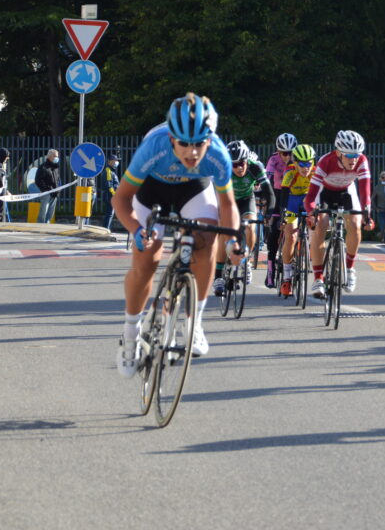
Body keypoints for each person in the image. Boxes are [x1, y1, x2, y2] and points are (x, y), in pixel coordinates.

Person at [113, 94, 241, 377]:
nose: (192, 153)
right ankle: (131, 334)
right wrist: (136, 231)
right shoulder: (153, 148)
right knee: (147, 258)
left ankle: (194, 323)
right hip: (152, 188)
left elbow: (228, 205)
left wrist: (232, 241)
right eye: (184, 143)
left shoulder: (218, 155)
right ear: (172, 139)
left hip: (193, 188)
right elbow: (121, 199)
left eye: (199, 144)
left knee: (207, 238)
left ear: (210, 139)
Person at [305, 130, 373, 299]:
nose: (354, 159)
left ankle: (349, 269)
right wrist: (311, 213)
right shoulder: (325, 162)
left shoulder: (362, 161)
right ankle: (318, 278)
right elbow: (311, 197)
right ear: (338, 153)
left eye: (356, 154)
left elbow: (365, 193)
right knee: (321, 225)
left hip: (347, 193)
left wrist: (367, 214)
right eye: (349, 155)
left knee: (356, 224)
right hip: (325, 193)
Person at [213, 140, 274, 295]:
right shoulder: (222, 169)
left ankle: (246, 262)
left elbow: (269, 192)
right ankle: (218, 276)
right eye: (234, 165)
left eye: (241, 163)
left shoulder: (255, 167)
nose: (239, 167)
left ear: (247, 160)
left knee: (250, 227)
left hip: (247, 199)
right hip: (227, 200)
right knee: (223, 233)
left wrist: (269, 212)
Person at [278, 144, 317, 297]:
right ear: (295, 162)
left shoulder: (316, 172)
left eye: (308, 163)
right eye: (301, 163)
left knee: (316, 229)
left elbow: (322, 193)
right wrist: (282, 216)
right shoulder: (289, 172)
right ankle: (287, 277)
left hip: (309, 199)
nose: (305, 167)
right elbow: (284, 196)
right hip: (292, 201)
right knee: (291, 235)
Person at [263, 133, 297, 287]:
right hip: (277, 194)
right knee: (274, 231)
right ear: (278, 151)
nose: (287, 156)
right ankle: (270, 270)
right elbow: (267, 177)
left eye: (290, 153)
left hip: (294, 194)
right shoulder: (274, 159)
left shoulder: (299, 160)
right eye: (284, 153)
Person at [34, 149, 61, 224]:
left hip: (55, 193)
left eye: (57, 156)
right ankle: (40, 225)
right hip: (46, 193)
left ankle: (47, 225)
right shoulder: (43, 167)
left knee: (50, 213)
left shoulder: (55, 167)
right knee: (43, 211)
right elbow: (38, 180)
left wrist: (58, 189)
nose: (57, 158)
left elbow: (58, 179)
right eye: (55, 156)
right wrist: (46, 189)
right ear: (50, 156)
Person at [100, 150, 122, 231]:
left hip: (111, 195)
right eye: (115, 161)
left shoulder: (111, 171)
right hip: (110, 195)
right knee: (109, 213)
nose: (116, 162)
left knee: (109, 213)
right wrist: (114, 195)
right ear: (110, 161)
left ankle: (106, 229)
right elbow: (109, 184)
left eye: (117, 161)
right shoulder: (108, 171)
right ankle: (106, 229)